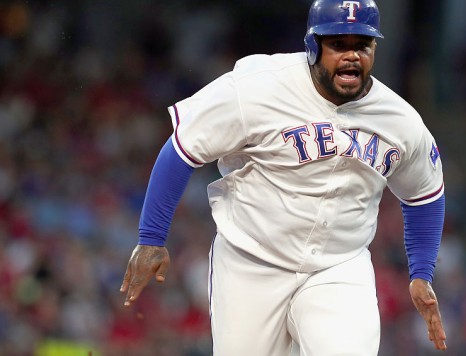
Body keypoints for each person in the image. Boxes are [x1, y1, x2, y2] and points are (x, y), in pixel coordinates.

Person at [120, 0, 448, 354]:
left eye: (362, 45)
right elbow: (182, 150)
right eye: (339, 44)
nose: (352, 56)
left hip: (338, 267)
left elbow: (424, 194)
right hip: (251, 260)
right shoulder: (257, 87)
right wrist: (151, 237)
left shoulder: (400, 120)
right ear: (313, 46)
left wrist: (421, 272)